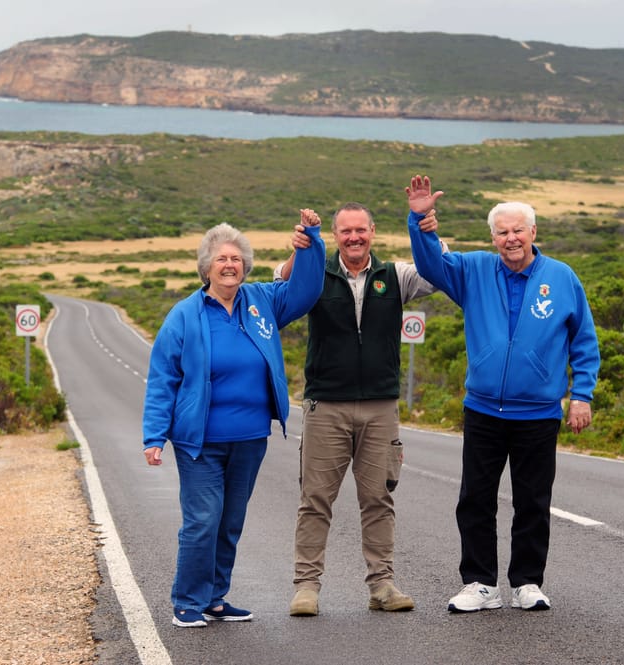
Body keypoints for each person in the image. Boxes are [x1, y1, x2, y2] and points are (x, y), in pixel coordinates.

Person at [404, 174, 599, 613]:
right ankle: (480, 584)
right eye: (502, 232)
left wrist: (581, 394)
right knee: (475, 499)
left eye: (518, 230)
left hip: (539, 413)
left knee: (533, 502)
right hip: (484, 410)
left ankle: (527, 582)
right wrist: (419, 222)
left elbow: (584, 341)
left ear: (533, 232)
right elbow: (431, 265)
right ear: (492, 237)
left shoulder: (562, 277)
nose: (511, 239)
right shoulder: (472, 270)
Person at [142, 212, 326, 628]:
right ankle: (187, 601)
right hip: (200, 441)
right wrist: (154, 435)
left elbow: (307, 290)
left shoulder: (262, 301)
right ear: (206, 267)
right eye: (222, 259)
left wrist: (312, 241)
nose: (230, 265)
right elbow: (163, 378)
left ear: (246, 266)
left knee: (229, 522)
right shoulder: (185, 315)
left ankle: (214, 597)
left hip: (249, 437)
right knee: (203, 520)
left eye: (237, 259)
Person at [276, 202, 445, 617]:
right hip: (326, 406)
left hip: (380, 407)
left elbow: (436, 272)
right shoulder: (317, 275)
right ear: (335, 236)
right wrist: (300, 249)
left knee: (378, 499)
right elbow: (281, 282)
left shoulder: (395, 275)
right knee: (315, 499)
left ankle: (382, 586)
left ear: (373, 232)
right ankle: (306, 588)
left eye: (361, 230)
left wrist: (427, 230)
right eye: (346, 231)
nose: (354, 238)